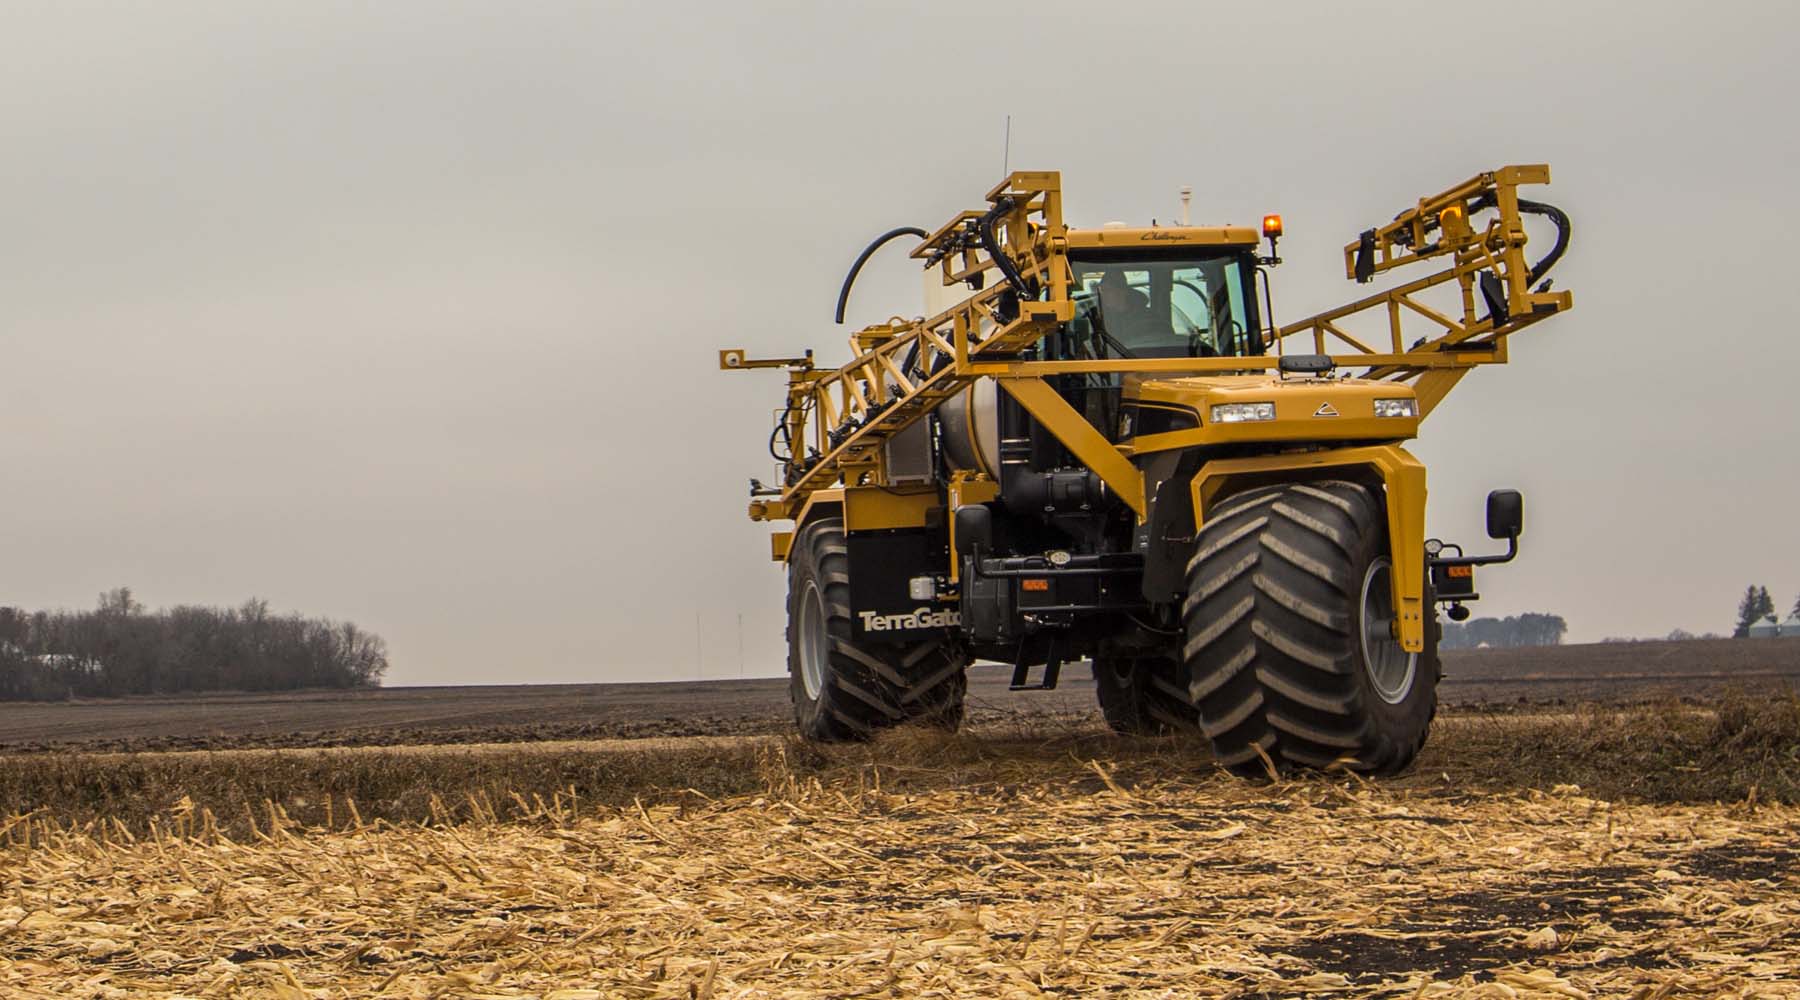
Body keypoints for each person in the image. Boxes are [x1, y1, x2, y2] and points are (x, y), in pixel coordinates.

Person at [1094, 271, 1164, 347]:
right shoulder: (1102, 319)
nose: (1103, 295)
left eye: (1108, 290)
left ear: (1123, 291)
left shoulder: (1148, 318)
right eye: (1102, 291)